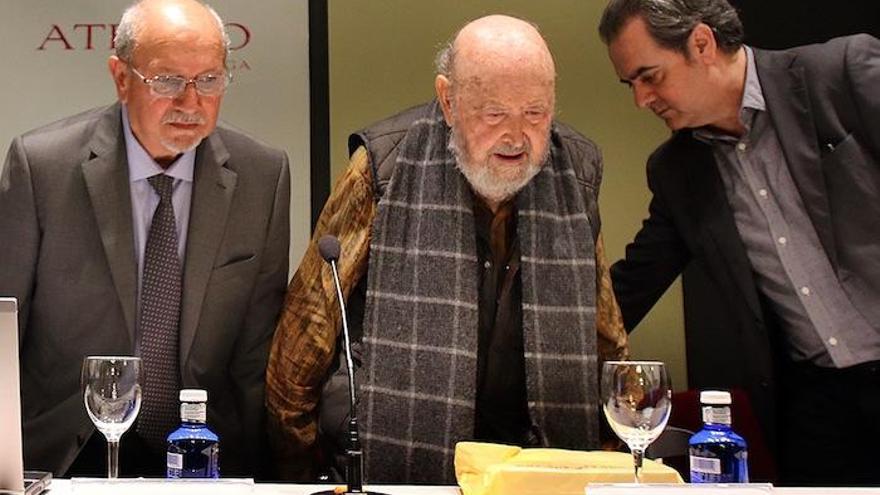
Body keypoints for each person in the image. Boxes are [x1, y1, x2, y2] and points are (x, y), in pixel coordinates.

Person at [266, 15, 628, 484]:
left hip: (529, 466)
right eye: (494, 113)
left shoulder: (574, 174)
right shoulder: (384, 168)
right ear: (449, 100)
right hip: (388, 462)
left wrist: (609, 456)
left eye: (536, 113)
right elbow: (303, 339)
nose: (517, 136)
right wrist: (301, 471)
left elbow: (607, 338)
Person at [0, 0, 290, 478]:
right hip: (64, 452)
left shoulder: (263, 174)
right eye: (168, 81)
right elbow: (5, 326)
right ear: (121, 77)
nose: (191, 102)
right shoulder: (43, 168)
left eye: (210, 80)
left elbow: (254, 351)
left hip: (204, 454)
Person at [598, 0, 880, 486]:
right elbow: (630, 288)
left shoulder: (842, 72)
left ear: (702, 44)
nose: (642, 100)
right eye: (631, 85)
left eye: (650, 76)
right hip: (816, 407)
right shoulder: (678, 171)